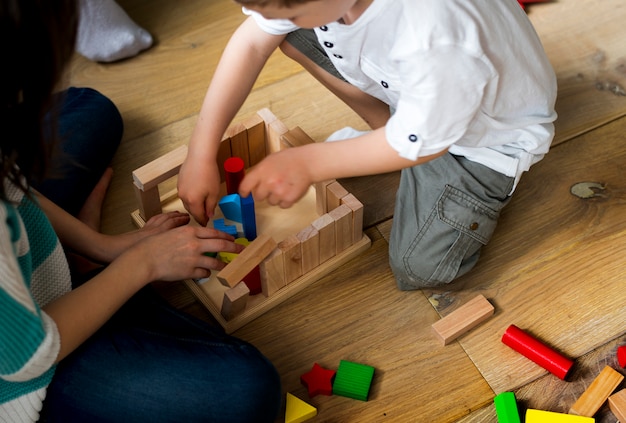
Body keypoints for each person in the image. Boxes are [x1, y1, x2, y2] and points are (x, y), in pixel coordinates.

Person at [0, 0, 282, 422]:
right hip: (26, 367)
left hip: (20, 263)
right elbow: (28, 356)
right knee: (249, 394)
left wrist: (101, 244)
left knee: (88, 109)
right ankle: (85, 286)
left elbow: (12, 184)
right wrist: (140, 264)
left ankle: (79, 270)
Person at [177, 0, 557, 290]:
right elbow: (251, 42)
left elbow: (429, 144)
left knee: (417, 266)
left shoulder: (433, 32)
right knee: (292, 37)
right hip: (427, 101)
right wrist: (200, 151)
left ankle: (395, 146)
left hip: (479, 142)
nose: (282, 21)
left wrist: (310, 163)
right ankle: (390, 136)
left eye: (292, 12)